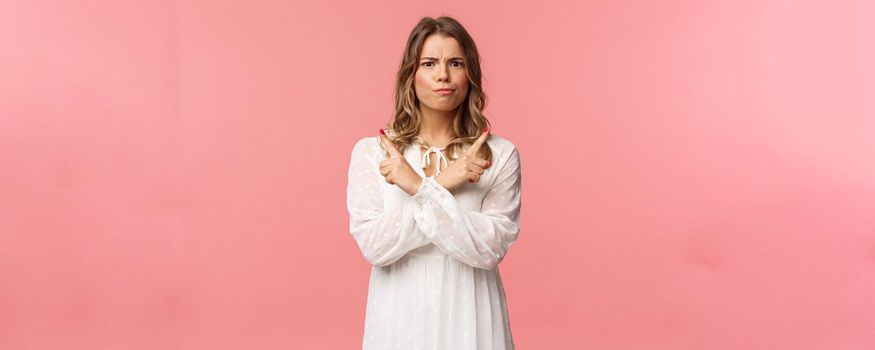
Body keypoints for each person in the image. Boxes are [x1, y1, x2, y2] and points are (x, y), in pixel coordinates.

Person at [346, 15, 522, 350]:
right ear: (411, 75)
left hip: (472, 317)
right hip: (398, 319)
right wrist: (445, 182)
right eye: (429, 63)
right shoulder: (374, 153)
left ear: (470, 73)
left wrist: (419, 186)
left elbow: (489, 249)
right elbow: (376, 247)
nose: (443, 74)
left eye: (455, 63)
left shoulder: (499, 154)